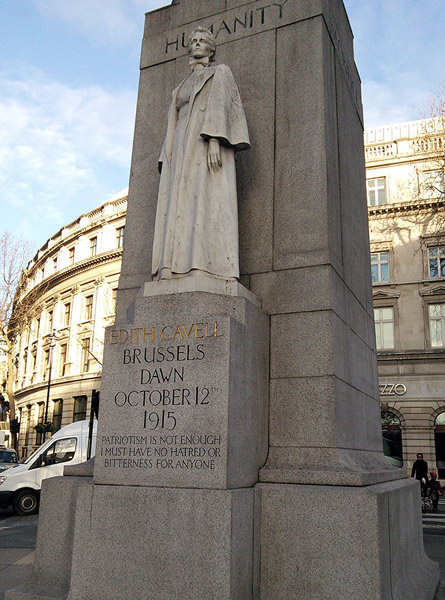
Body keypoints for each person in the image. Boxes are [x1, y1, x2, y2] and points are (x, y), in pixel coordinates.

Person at [152, 26, 250, 282]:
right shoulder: (180, 86)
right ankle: (171, 266)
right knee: (179, 207)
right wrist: (168, 155)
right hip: (181, 147)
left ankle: (203, 264)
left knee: (204, 202)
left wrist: (216, 139)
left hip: (203, 142)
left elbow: (222, 105)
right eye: (193, 41)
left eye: (202, 41)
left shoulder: (220, 72)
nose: (196, 44)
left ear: (211, 48)